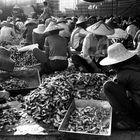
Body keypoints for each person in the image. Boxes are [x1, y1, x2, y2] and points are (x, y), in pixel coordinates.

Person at [100, 42, 140, 129]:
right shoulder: (135, 63)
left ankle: (128, 120)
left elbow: (120, 95)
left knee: (108, 86)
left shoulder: (123, 74)